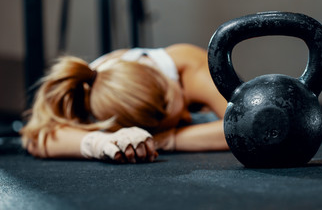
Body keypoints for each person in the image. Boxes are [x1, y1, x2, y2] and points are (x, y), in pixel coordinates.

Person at [20, 43, 229, 163]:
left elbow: (251, 126)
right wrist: (100, 143)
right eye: (181, 117)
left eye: (180, 102)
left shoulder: (186, 63)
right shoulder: (85, 96)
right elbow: (36, 137)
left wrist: (168, 139)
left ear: (155, 71)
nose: (187, 116)